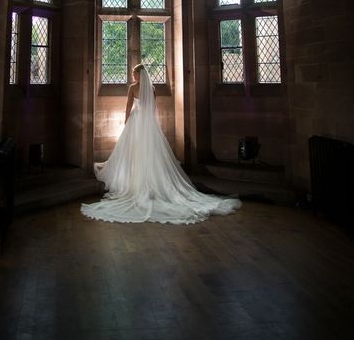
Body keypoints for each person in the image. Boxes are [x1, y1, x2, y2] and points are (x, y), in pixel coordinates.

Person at [81, 64, 242, 224]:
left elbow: (128, 106)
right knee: (148, 152)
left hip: (136, 121)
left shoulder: (133, 88)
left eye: (133, 73)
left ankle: (136, 183)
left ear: (139, 74)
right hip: (148, 123)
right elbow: (152, 109)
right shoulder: (151, 88)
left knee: (134, 152)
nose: (132, 75)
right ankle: (144, 181)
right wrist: (150, 123)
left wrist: (126, 121)